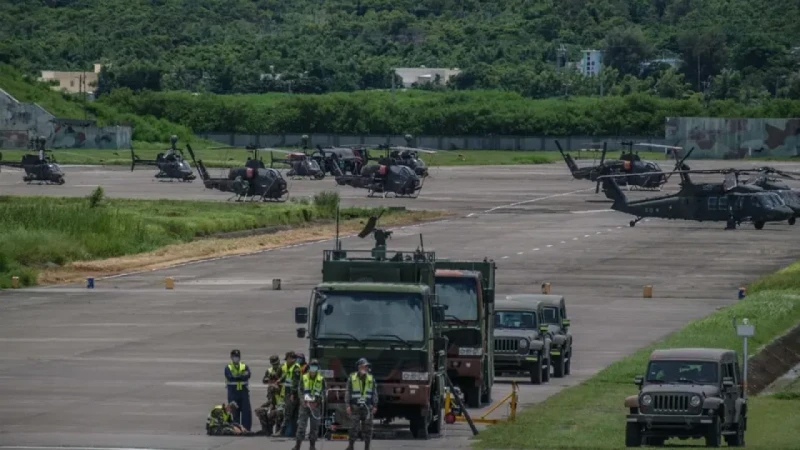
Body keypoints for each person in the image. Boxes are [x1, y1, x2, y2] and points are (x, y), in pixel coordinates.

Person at [345, 358, 378, 450]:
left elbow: (374, 393)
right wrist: (347, 405)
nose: (365, 368)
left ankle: (367, 447)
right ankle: (351, 446)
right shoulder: (352, 377)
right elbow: (348, 391)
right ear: (359, 367)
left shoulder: (371, 378)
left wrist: (375, 405)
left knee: (368, 429)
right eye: (364, 366)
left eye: (366, 366)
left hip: (367, 408)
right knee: (353, 429)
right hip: (355, 407)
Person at [293, 359, 326, 450]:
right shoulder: (304, 378)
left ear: (317, 368)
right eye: (312, 366)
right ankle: (297, 446)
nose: (313, 368)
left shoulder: (321, 379)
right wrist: (304, 402)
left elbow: (323, 392)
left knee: (314, 427)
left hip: (315, 406)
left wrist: (317, 402)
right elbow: (300, 391)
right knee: (301, 426)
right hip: (305, 406)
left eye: (315, 366)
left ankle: (312, 446)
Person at [255, 355, 284, 435]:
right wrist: (269, 379)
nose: (275, 365)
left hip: (280, 398)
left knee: (278, 413)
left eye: (276, 363)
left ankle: (279, 431)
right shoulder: (269, 370)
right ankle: (267, 430)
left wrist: (277, 379)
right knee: (260, 411)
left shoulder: (282, 369)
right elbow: (264, 380)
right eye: (273, 364)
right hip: (271, 398)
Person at [224, 349, 252, 431]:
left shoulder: (244, 366)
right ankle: (236, 428)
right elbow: (230, 377)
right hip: (233, 392)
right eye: (234, 356)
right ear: (231, 357)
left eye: (237, 356)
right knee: (234, 411)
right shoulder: (228, 367)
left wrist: (237, 376)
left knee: (246, 411)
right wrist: (241, 376)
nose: (236, 358)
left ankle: (246, 428)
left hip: (243, 392)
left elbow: (248, 375)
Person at [281, 351, 302, 437]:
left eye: (287, 359)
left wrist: (293, 393)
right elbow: (286, 377)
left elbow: (295, 383)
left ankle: (283, 431)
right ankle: (291, 433)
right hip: (288, 391)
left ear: (291, 358)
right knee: (292, 414)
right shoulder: (290, 367)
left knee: (288, 413)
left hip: (292, 393)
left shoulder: (296, 368)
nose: (286, 361)